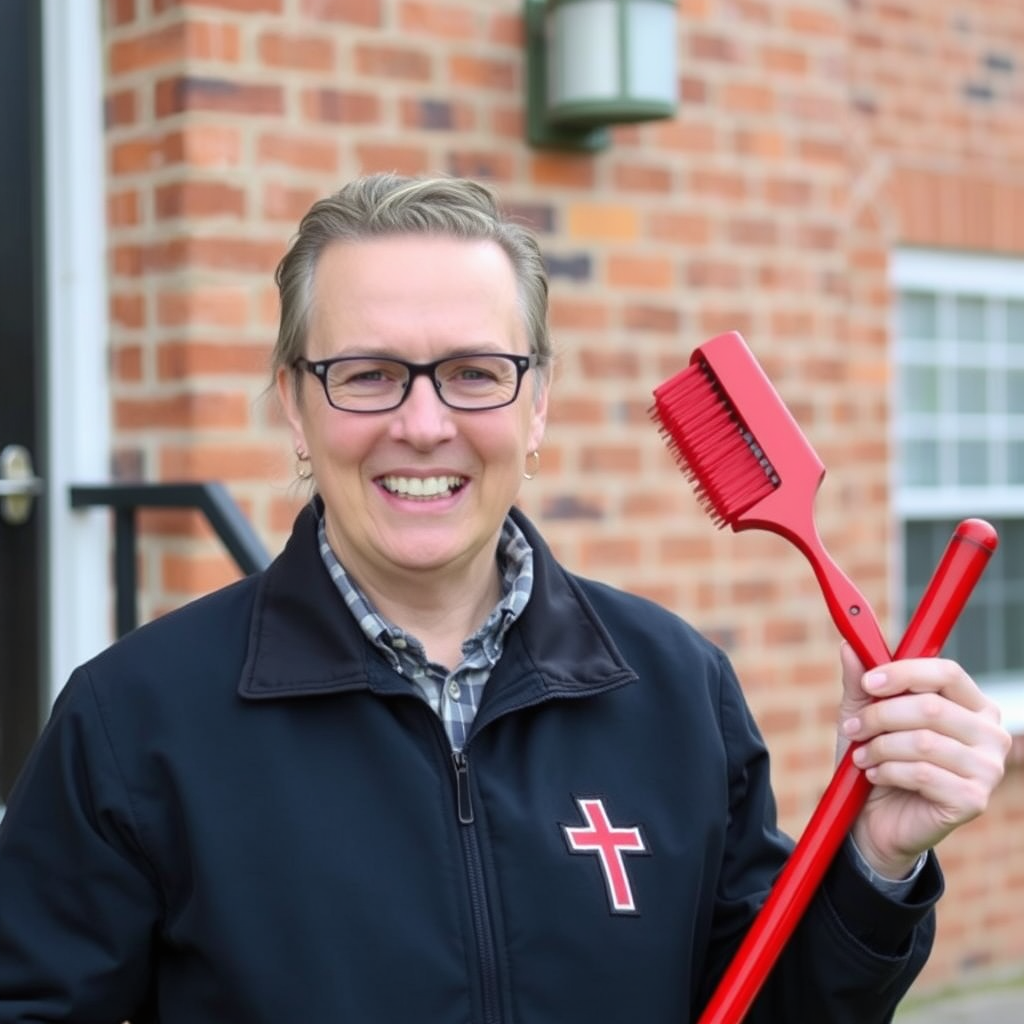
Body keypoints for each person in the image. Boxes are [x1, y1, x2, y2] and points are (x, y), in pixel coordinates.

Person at [0, 173, 1011, 1023]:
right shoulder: (131, 725)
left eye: (476, 373)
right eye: (367, 374)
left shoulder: (678, 689)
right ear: (295, 411)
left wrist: (873, 861)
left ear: (536, 410)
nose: (425, 423)